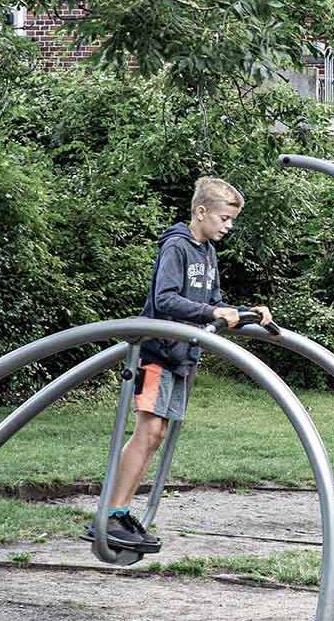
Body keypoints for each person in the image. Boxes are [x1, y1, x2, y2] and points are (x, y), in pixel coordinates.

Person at [83, 176, 271, 553]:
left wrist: (245, 311)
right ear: (200, 212)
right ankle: (111, 513)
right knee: (147, 433)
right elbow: (165, 299)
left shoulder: (208, 254)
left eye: (231, 220)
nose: (227, 226)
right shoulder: (177, 247)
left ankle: (119, 511)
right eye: (223, 218)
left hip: (182, 356)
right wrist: (213, 310)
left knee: (157, 436)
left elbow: (213, 300)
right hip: (156, 352)